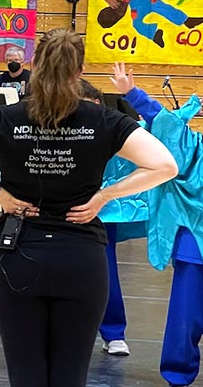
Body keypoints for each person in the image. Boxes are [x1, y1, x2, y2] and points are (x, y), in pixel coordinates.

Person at [0, 29, 178, 387]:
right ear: (79, 71)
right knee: (70, 375)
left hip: (17, 254)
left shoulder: (4, 118)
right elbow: (165, 166)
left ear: (32, 65)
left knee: (26, 373)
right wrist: (103, 197)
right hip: (80, 257)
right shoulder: (104, 120)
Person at [109, 63, 203, 387]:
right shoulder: (196, 151)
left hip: (194, 252)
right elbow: (164, 123)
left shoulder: (195, 150)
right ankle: (177, 378)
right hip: (196, 252)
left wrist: (132, 93)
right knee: (184, 320)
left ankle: (177, 376)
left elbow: (165, 123)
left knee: (185, 320)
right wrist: (132, 93)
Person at [79, 79, 147, 357]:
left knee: (105, 273)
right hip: (57, 213)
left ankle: (113, 332)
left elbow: (153, 134)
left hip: (101, 215)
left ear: (96, 104)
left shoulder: (115, 129)